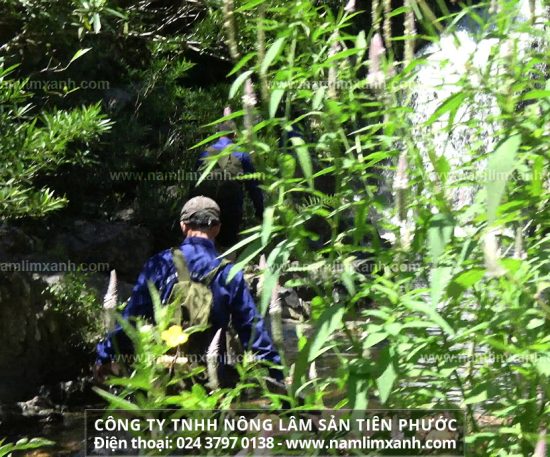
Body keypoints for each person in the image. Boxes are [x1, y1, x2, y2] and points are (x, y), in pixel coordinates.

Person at [94, 196, 281, 384]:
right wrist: (277, 374)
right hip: (211, 379)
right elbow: (251, 329)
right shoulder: (229, 272)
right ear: (217, 228)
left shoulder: (159, 264)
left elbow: (131, 320)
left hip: (162, 377)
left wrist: (105, 355)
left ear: (183, 226)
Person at [190, 121, 264, 249]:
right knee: (228, 247)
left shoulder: (204, 154)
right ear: (235, 135)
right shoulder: (242, 155)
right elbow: (254, 187)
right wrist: (260, 211)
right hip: (231, 207)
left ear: (218, 134)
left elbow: (194, 183)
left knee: (204, 243)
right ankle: (227, 266)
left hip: (206, 207)